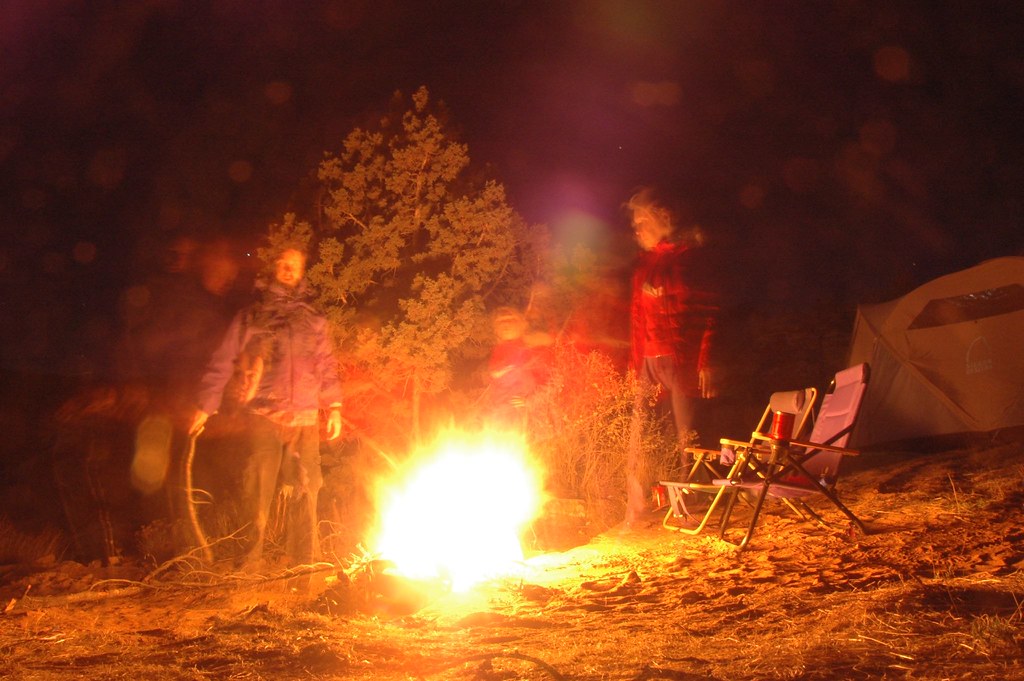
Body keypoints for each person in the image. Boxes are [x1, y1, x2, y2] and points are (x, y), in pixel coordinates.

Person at [189, 247, 343, 570]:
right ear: (274, 268)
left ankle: (306, 565)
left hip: (304, 416)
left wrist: (335, 405)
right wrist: (206, 404)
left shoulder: (313, 319)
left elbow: (326, 364)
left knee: (307, 488)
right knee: (258, 487)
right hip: (264, 415)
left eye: (295, 264)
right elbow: (224, 358)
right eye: (283, 264)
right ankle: (251, 561)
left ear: (302, 270)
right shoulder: (253, 315)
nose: (288, 269)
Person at [625, 187, 719, 524]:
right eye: (634, 223)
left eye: (643, 221)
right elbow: (637, 320)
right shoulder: (644, 267)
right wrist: (637, 367)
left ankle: (691, 504)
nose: (637, 229)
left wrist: (707, 359)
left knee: (687, 436)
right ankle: (638, 503)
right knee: (641, 432)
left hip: (680, 360)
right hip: (651, 361)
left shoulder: (686, 260)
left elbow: (709, 311)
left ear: (664, 219)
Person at [486, 306, 552, 429]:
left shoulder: (533, 349)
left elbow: (551, 382)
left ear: (520, 323)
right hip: (503, 419)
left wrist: (531, 401)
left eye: (510, 320)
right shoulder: (498, 351)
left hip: (531, 420)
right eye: (501, 321)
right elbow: (494, 377)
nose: (506, 325)